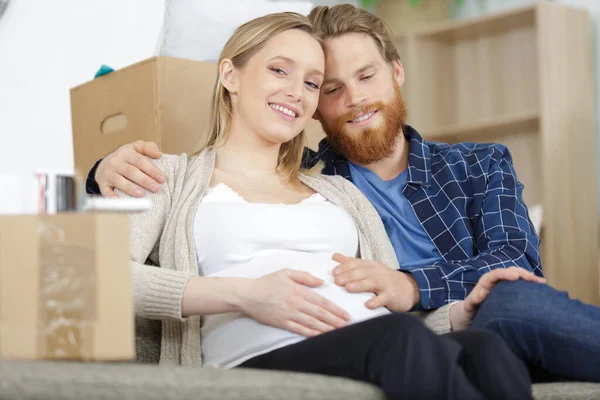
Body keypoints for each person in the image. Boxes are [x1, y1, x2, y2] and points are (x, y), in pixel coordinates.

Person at [86, 5, 579, 389]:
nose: (296, 92)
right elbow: (98, 277)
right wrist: (246, 295)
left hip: (378, 339)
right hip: (256, 357)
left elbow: (389, 305)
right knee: (400, 340)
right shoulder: (167, 175)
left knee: (487, 351)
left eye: (310, 82)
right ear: (230, 75)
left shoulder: (334, 189)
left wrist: (455, 315)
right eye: (280, 70)